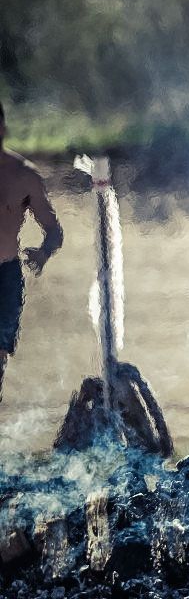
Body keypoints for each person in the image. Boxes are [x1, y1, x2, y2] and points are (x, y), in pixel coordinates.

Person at [0, 100, 64, 404]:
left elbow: (53, 230)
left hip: (5, 274)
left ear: (2, 129)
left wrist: (42, 253)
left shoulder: (23, 175)